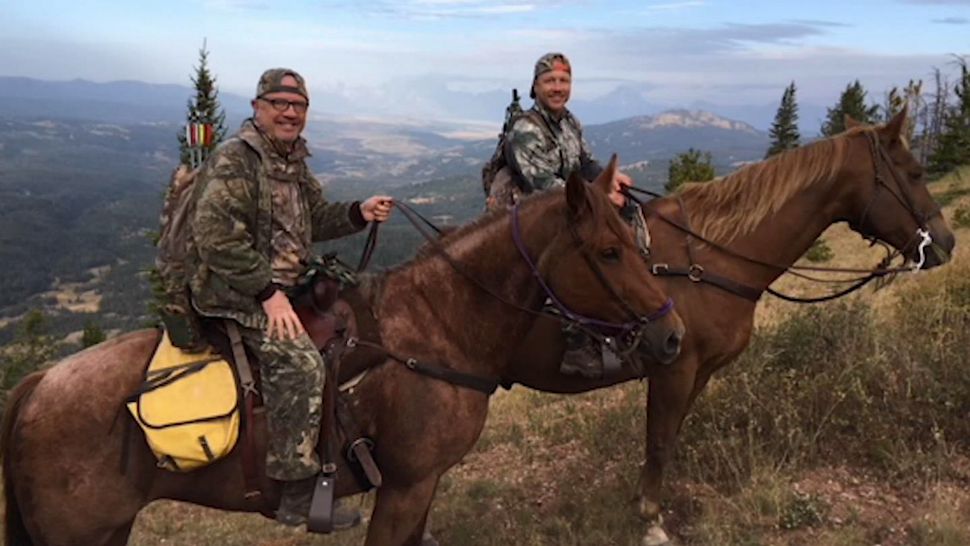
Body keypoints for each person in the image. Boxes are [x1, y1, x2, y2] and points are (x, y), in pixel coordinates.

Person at [186, 68, 392, 528]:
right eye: (279, 104)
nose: (290, 113)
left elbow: (314, 218)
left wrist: (359, 212)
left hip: (283, 283)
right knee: (299, 360)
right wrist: (267, 294)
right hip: (233, 289)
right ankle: (295, 492)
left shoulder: (291, 160)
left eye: (298, 106)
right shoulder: (235, 160)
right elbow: (215, 238)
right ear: (258, 107)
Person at [495, 52, 648, 378]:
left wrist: (611, 178)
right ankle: (577, 343)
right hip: (529, 210)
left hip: (568, 203)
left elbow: (586, 164)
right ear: (535, 87)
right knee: (576, 259)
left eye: (564, 81)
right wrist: (596, 199)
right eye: (550, 81)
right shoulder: (525, 128)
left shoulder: (570, 123)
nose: (557, 87)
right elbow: (541, 183)